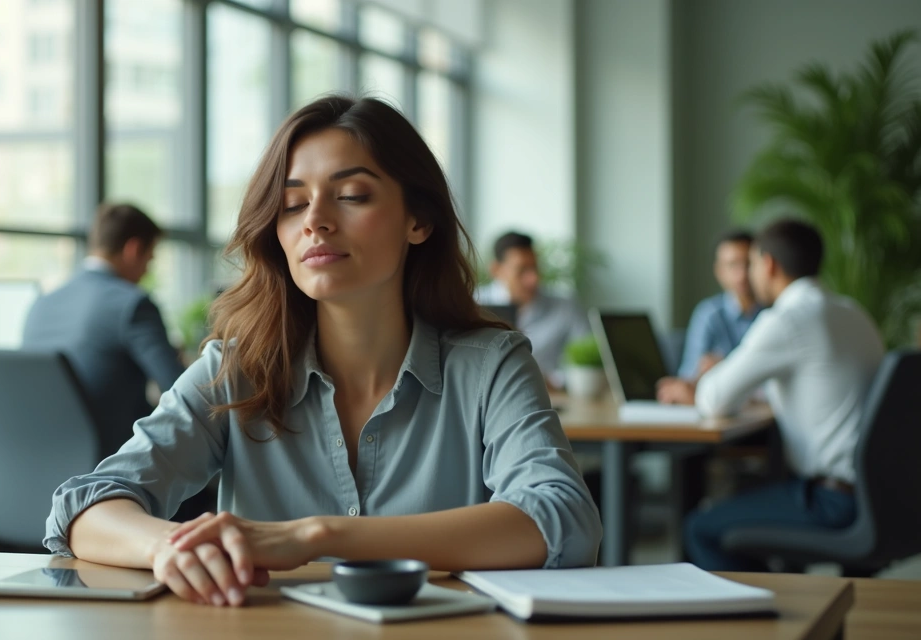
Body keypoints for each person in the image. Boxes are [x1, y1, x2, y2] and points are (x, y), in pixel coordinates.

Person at [44, 96, 602, 607]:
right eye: (291, 204)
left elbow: (562, 520)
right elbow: (85, 506)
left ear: (419, 220)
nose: (315, 221)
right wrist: (172, 546)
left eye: (353, 195)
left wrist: (315, 536)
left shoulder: (490, 363)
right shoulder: (238, 368)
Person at [665, 219, 884, 571]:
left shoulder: (787, 319)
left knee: (700, 528)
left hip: (831, 500)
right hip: (877, 494)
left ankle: (764, 614)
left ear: (768, 264)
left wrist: (716, 372)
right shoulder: (853, 312)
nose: (748, 276)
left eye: (750, 264)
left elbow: (712, 400)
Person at [22, 203, 184, 457]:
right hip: (117, 467)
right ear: (133, 250)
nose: (146, 271)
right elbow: (180, 392)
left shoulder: (42, 303)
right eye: (149, 259)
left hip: (42, 462)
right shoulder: (133, 303)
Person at [474, 232, 589, 388]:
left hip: (549, 397)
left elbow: (589, 363)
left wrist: (555, 380)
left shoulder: (566, 307)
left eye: (535, 268)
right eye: (522, 270)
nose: (533, 278)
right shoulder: (475, 304)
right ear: (496, 270)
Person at [657, 231, 762, 402]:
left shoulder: (773, 313)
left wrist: (725, 369)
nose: (742, 274)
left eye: (748, 264)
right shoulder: (708, 314)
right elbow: (689, 376)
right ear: (719, 271)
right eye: (732, 265)